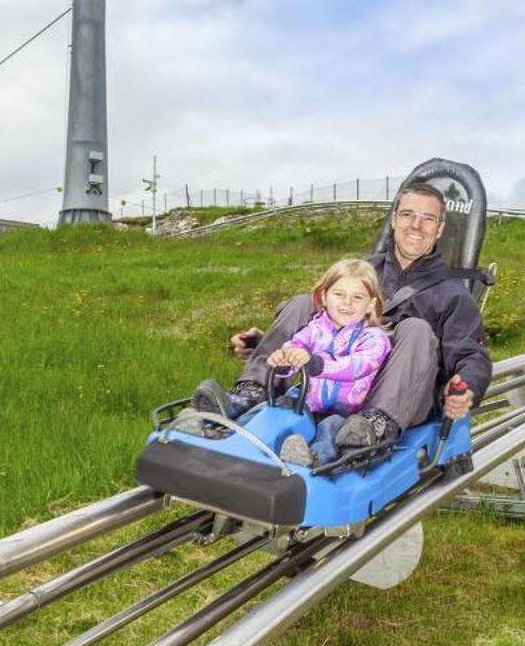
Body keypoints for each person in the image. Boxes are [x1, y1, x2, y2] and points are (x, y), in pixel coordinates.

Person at [199, 180, 492, 455]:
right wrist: (266, 343)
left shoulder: (453, 295)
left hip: (397, 394)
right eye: (407, 214)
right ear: (394, 220)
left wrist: (467, 386)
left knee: (414, 329)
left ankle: (375, 424)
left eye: (427, 218)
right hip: (335, 379)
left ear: (439, 229)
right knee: (303, 302)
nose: (416, 225)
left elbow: (472, 356)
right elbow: (324, 326)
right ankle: (251, 391)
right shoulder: (362, 271)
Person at [250, 259, 391, 466]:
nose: (347, 303)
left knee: (332, 428)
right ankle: (231, 431)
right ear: (324, 296)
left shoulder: (374, 338)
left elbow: (359, 366)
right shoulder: (315, 329)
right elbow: (296, 346)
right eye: (339, 294)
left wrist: (318, 364)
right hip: (307, 404)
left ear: (370, 304)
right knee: (278, 406)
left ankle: (313, 459)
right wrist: (284, 359)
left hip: (346, 412)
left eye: (357, 297)